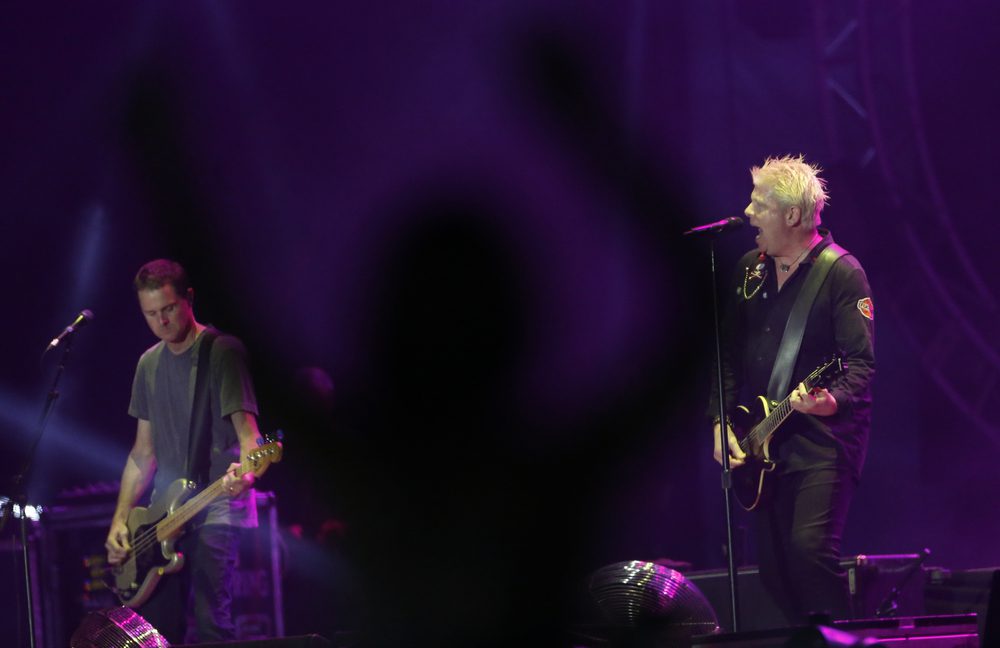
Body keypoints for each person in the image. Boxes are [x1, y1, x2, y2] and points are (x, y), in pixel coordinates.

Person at [710, 155, 875, 624]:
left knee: (809, 553)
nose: (747, 212)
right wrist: (721, 422)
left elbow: (860, 365)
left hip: (824, 442)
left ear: (793, 215)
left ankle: (849, 638)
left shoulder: (842, 273)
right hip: (765, 443)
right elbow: (723, 354)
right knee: (774, 573)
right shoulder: (749, 270)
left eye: (759, 203)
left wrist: (830, 400)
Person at [105, 259, 262, 643]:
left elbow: (250, 437)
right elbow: (142, 454)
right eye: (151, 314)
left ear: (189, 298)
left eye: (169, 309)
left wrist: (249, 473)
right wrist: (120, 519)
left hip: (215, 505)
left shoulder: (222, 352)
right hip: (162, 520)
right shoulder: (148, 364)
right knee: (155, 635)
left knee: (211, 624)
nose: (161, 321)